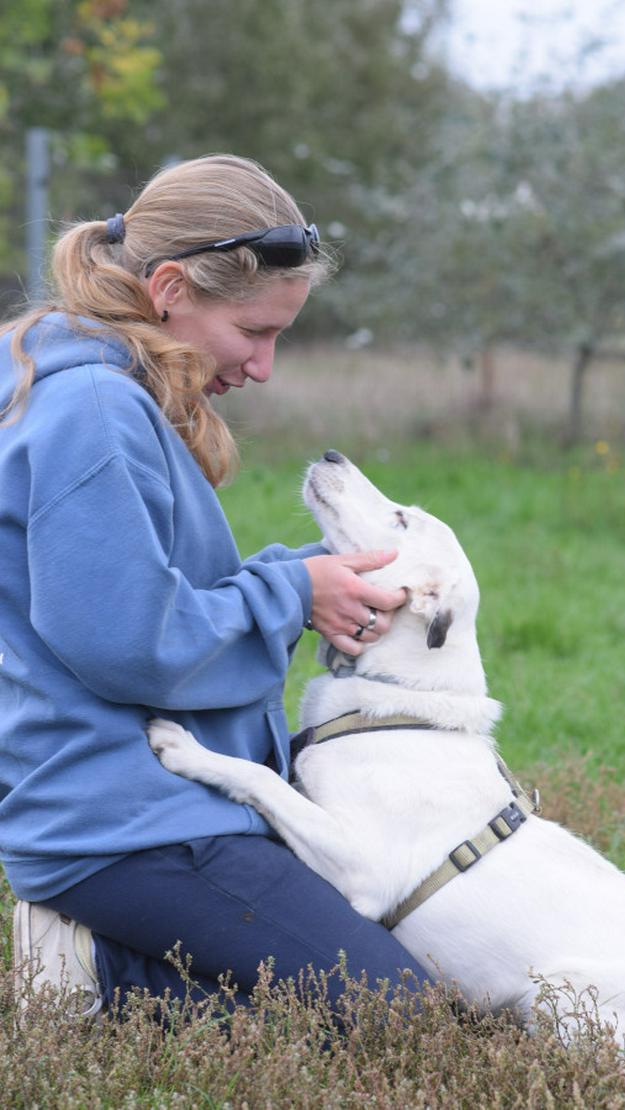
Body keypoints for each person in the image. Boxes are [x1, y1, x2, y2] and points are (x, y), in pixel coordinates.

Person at [0, 153, 428, 1016]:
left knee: (406, 977)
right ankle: (89, 972)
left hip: (153, 805)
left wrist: (295, 578)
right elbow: (131, 643)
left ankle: (119, 951)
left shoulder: (84, 384)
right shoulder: (93, 411)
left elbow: (139, 599)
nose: (263, 367)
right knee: (397, 1018)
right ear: (169, 288)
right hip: (129, 825)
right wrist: (292, 595)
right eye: (255, 332)